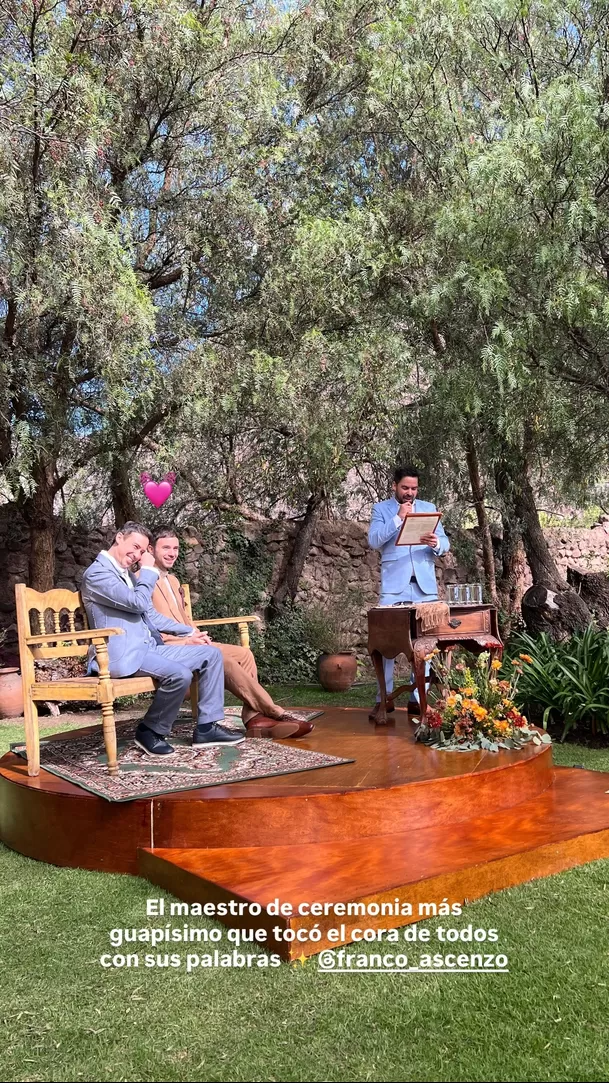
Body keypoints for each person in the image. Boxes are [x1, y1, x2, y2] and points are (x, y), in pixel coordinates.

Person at [81, 522, 244, 757]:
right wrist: (149, 571)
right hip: (120, 655)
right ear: (118, 538)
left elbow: (149, 614)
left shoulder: (125, 574)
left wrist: (188, 632)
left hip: (147, 649)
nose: (137, 555)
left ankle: (207, 728)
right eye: (135, 547)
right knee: (180, 674)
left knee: (211, 654)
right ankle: (150, 730)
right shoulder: (97, 574)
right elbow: (137, 602)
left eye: (141, 551)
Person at [147, 527, 314, 740]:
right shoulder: (142, 581)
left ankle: (254, 719)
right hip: (169, 649)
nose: (172, 553)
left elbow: (183, 619)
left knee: (245, 655)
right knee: (223, 660)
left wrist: (196, 634)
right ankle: (275, 712)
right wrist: (186, 641)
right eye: (166, 548)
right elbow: (148, 625)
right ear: (151, 549)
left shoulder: (172, 580)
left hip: (192, 641)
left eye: (176, 548)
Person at [368, 465, 450, 715]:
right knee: (387, 643)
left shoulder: (428, 508)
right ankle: (385, 697)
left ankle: (418, 697)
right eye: (405, 488)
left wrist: (437, 543)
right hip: (394, 587)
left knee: (424, 644)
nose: (409, 493)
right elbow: (373, 540)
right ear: (394, 486)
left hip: (425, 586)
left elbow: (445, 543)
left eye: (414, 488)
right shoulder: (381, 509)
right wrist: (398, 519)